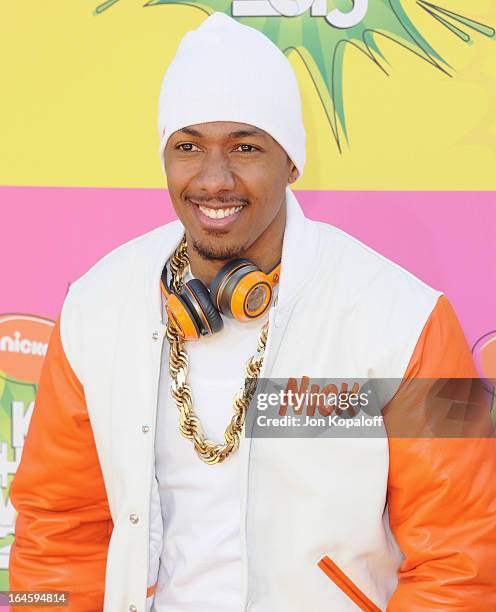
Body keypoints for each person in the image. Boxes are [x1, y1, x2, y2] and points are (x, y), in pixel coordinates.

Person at [9, 12, 496, 612]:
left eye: (245, 146)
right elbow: (55, 530)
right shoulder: (95, 307)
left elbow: (466, 556)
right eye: (187, 147)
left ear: (291, 162)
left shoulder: (412, 319)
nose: (214, 179)